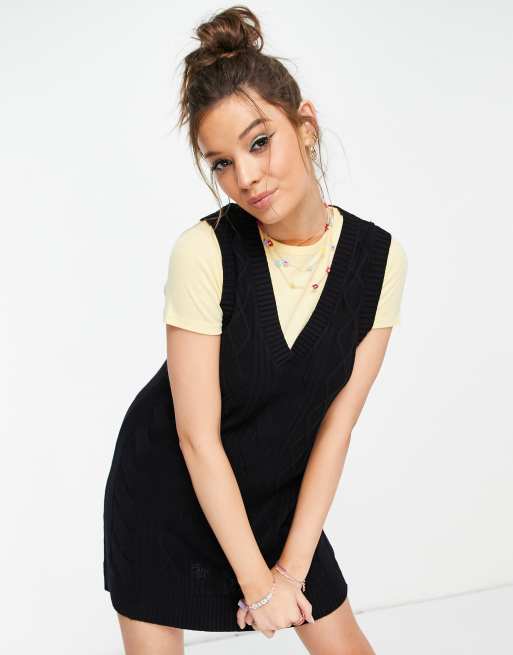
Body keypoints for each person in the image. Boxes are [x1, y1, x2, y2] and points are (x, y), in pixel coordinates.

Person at [103, 5, 408, 654]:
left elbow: (336, 426)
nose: (244, 177)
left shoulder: (379, 262)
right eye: (220, 162)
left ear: (305, 125)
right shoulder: (204, 252)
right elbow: (195, 436)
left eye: (259, 142)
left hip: (276, 498)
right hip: (169, 493)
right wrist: (254, 581)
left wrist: (290, 572)